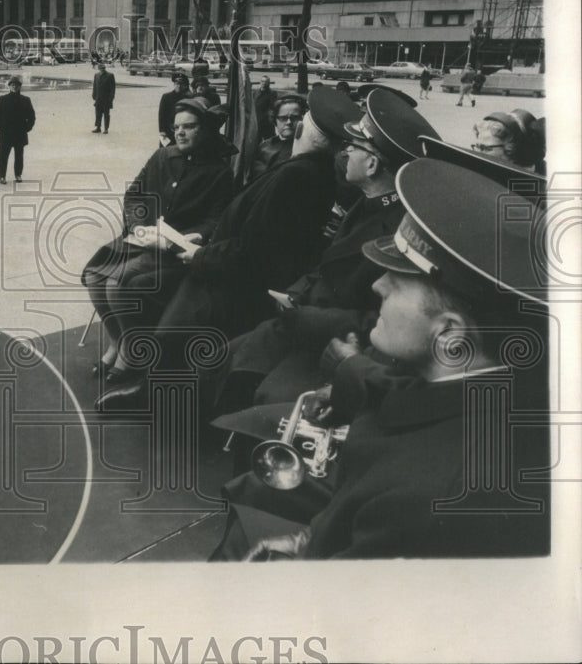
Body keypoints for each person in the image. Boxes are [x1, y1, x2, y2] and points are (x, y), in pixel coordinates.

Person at [212, 158, 550, 559]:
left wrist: (308, 553)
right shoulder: (493, 384)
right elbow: (414, 396)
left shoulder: (425, 499)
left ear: (450, 334)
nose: (377, 285)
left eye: (400, 283)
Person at [97, 87, 353, 406]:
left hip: (228, 277)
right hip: (222, 263)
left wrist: (198, 253)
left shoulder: (297, 175)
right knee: (136, 293)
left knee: (169, 329)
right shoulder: (309, 172)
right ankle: (149, 385)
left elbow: (252, 247)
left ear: (300, 129)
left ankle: (154, 399)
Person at [209, 88, 441, 417]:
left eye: (355, 145)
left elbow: (384, 317)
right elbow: (327, 266)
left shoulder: (400, 232)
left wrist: (306, 317)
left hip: (337, 341)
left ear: (372, 164)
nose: (345, 150)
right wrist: (295, 295)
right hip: (305, 319)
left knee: (263, 395)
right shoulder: (368, 203)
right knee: (222, 359)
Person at [83, 97, 236, 387]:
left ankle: (129, 350)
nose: (180, 133)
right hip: (142, 239)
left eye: (189, 127)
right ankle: (117, 341)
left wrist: (198, 235)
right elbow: (134, 195)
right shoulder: (163, 156)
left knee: (118, 283)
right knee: (94, 275)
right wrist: (139, 226)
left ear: (204, 130)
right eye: (177, 127)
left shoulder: (219, 172)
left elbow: (216, 219)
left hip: (176, 251)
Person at [248, 95, 305, 180]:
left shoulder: (304, 149)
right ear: (275, 120)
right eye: (283, 118)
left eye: (294, 118)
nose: (289, 122)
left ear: (302, 119)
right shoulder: (264, 146)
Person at [0, 75, 35, 183]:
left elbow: (32, 116)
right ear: (9, 86)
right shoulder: (2, 99)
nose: (14, 87)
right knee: (2, 156)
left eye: (16, 85)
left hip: (19, 133)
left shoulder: (26, 100)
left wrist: (27, 128)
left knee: (19, 156)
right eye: (12, 85)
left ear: (20, 87)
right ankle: (2, 176)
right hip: (5, 133)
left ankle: (18, 175)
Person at [157, 72, 192, 146]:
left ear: (185, 86)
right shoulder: (166, 97)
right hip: (168, 130)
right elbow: (161, 115)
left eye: (181, 84)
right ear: (174, 84)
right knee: (167, 151)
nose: (179, 86)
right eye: (177, 84)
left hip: (182, 129)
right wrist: (162, 130)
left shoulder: (188, 97)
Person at [91, 62, 116, 133]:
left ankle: (106, 129)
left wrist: (111, 98)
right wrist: (93, 95)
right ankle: (98, 127)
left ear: (105, 68)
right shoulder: (96, 75)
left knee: (106, 114)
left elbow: (112, 88)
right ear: (98, 69)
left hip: (106, 99)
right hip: (98, 98)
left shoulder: (110, 75)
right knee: (98, 114)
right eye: (100, 68)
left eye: (103, 68)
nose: (101, 69)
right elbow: (95, 86)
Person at [252, 75, 277, 140]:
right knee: (256, 140)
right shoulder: (255, 92)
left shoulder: (272, 93)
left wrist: (270, 119)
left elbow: (272, 107)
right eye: (262, 81)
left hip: (266, 122)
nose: (264, 83)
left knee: (269, 141)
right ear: (260, 82)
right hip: (256, 121)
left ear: (269, 83)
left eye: (266, 82)